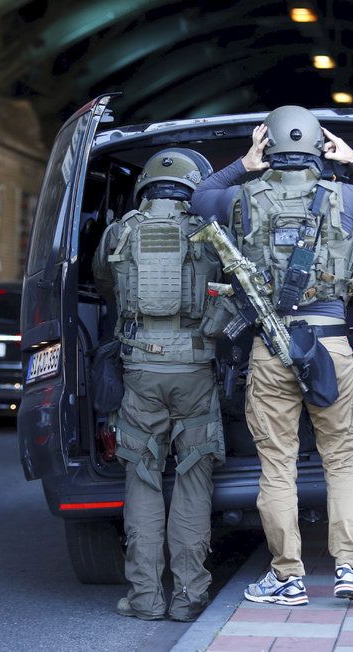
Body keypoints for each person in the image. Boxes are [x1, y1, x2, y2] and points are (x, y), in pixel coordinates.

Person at [191, 106, 353, 605]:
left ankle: (287, 576)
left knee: (278, 465)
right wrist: (352, 160)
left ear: (269, 146)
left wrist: (245, 163)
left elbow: (197, 198)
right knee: (342, 459)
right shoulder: (344, 196)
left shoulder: (239, 198)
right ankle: (351, 568)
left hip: (272, 346)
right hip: (330, 343)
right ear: (316, 147)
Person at [93, 148, 225, 622]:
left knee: (144, 477)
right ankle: (189, 597)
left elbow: (103, 283)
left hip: (139, 370)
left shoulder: (120, 231)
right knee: (192, 477)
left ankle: (145, 598)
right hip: (194, 369)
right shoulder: (209, 232)